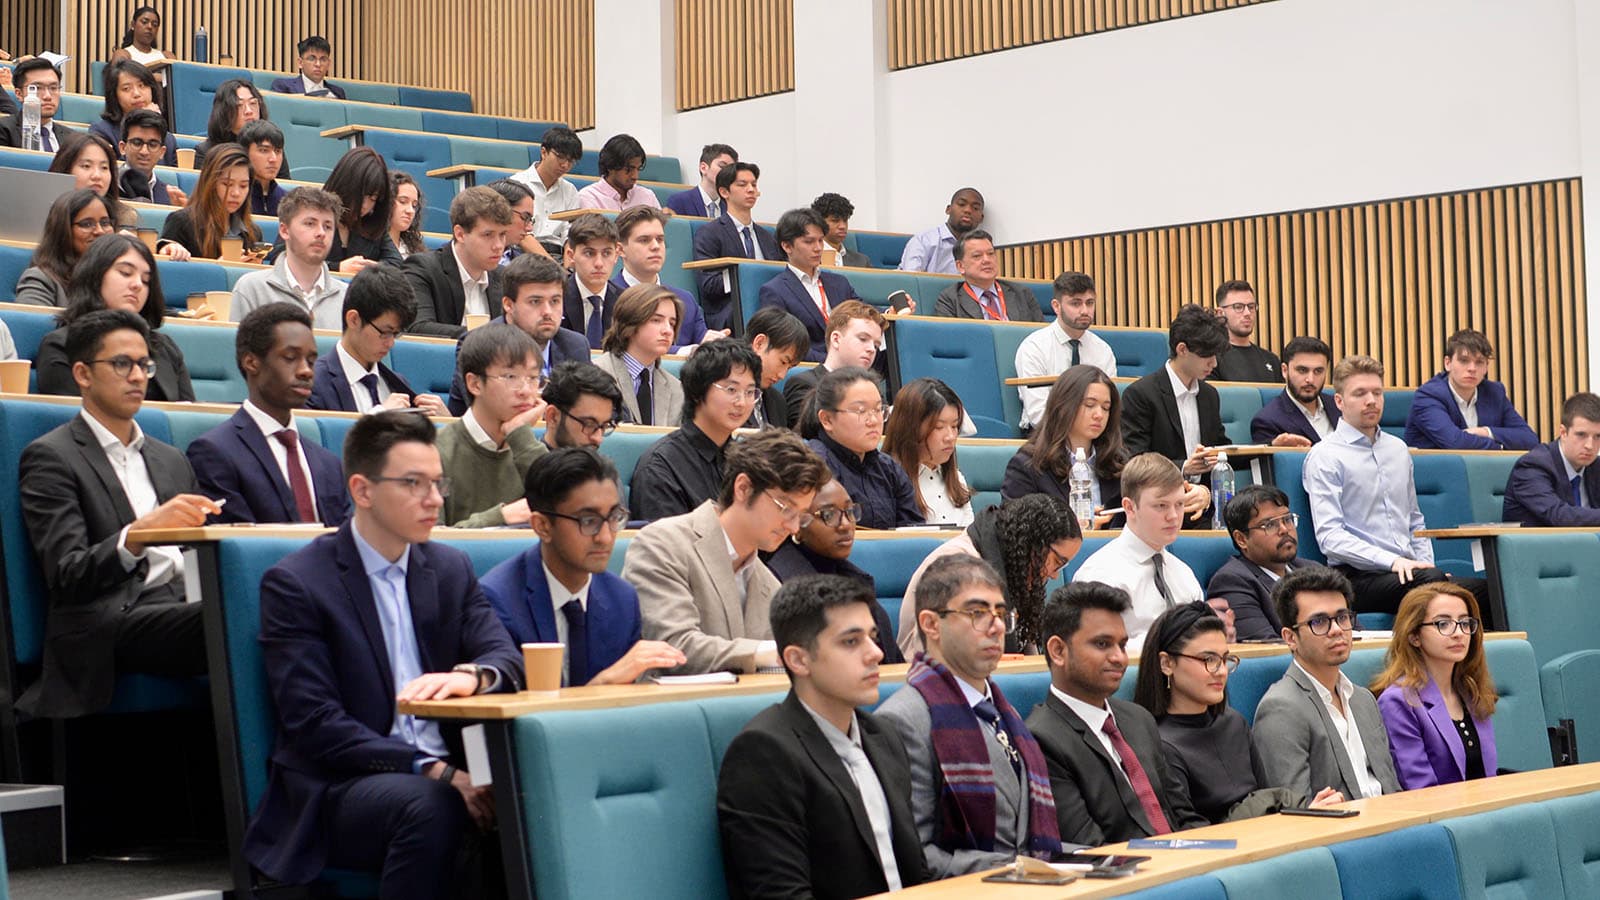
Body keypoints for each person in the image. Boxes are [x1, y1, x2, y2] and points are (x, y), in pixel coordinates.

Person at [242, 411, 523, 899]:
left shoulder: (449, 567)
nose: (434, 500)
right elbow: (315, 724)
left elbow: (503, 655)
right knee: (432, 804)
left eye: (438, 483)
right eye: (414, 484)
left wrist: (474, 677)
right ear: (362, 490)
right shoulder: (298, 583)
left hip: (451, 768)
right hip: (344, 783)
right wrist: (434, 769)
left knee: (530, 792)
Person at [17, 308, 220, 718]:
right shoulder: (51, 457)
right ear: (82, 374)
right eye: (121, 364)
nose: (138, 376)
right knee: (229, 620)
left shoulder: (172, 459)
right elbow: (68, 575)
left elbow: (200, 560)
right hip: (115, 618)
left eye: (144, 364)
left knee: (268, 604)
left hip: (180, 606)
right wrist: (138, 535)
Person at [717, 575, 928, 898]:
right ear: (798, 660)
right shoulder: (764, 753)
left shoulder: (883, 735)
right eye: (851, 642)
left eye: (872, 637)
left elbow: (915, 874)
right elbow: (781, 894)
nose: (875, 653)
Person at [875, 554, 1063, 877]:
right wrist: (1018, 870)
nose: (997, 626)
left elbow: (1031, 842)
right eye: (977, 613)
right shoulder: (904, 719)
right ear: (931, 624)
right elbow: (914, 856)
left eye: (1001, 613)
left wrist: (1094, 861)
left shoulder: (1007, 713)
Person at [622, 428, 831, 673]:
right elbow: (674, 647)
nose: (794, 527)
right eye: (785, 508)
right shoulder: (661, 544)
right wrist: (770, 653)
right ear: (743, 488)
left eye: (801, 516)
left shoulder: (770, 584)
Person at [1304, 355, 1489, 613]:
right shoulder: (1325, 456)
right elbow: (1330, 537)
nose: (1371, 400)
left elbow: (1414, 520)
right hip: (1356, 577)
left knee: (1492, 594)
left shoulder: (1398, 449)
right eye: (1360, 393)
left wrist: (1425, 566)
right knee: (1433, 587)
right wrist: (1393, 562)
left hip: (1410, 572)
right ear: (1339, 401)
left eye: (1377, 393)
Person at [1027, 582, 1207, 844]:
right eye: (1102, 644)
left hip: (1182, 866)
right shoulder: (1041, 739)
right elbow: (1090, 849)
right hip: (1133, 878)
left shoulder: (1138, 719)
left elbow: (1180, 814)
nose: (1119, 658)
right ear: (1058, 651)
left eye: (1122, 645)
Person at [482, 448, 684, 683]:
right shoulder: (498, 599)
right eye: (589, 521)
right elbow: (517, 711)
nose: (606, 537)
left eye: (614, 518)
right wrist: (603, 684)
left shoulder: (622, 599)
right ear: (542, 526)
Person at [1133, 601, 1345, 824]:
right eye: (1209, 660)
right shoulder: (1159, 745)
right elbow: (1189, 834)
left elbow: (1269, 799)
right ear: (1167, 663)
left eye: (1225, 659)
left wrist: (1306, 811)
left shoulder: (1234, 722)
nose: (1222, 671)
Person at [187, 303, 350, 525]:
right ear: (251, 362)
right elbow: (242, 552)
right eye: (290, 357)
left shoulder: (329, 464)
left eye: (311, 361)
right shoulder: (214, 453)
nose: (306, 370)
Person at [1253, 567, 1402, 800]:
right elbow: (1293, 813)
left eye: (1342, 618)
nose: (1336, 631)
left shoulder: (1363, 699)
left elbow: (1391, 787)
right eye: (1319, 622)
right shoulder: (1281, 708)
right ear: (1290, 637)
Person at [896, 494, 1082, 657]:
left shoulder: (1015, 566)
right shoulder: (955, 567)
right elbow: (934, 654)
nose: (1056, 575)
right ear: (1033, 543)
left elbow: (1022, 649)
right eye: (1058, 562)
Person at [37, 233, 195, 401]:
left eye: (146, 280)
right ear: (95, 275)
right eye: (126, 273)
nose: (137, 285)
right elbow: (75, 416)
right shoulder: (61, 345)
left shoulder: (165, 347)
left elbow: (187, 412)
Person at [1071, 453, 1205, 651]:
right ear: (1130, 507)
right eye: (1161, 506)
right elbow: (1094, 649)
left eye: (1179, 504)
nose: (1174, 516)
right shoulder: (1099, 574)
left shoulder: (1184, 574)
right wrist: (1172, 644)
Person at [761, 478, 903, 664]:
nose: (845, 524)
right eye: (829, 515)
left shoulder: (854, 579)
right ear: (797, 526)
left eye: (850, 511)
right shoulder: (777, 583)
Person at [1372, 582, 1498, 789]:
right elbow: (1420, 789)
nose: (1459, 633)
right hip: (1442, 818)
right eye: (1443, 624)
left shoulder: (1471, 690)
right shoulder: (1399, 701)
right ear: (1414, 636)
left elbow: (1488, 775)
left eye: (1465, 623)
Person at [629, 339, 762, 522]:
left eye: (749, 392)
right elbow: (666, 544)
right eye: (731, 389)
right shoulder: (660, 466)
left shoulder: (748, 460)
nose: (742, 402)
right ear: (699, 390)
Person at [448, 254, 590, 415]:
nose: (548, 312)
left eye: (555, 301)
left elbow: (593, 409)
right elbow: (491, 416)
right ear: (508, 305)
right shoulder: (479, 345)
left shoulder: (575, 345)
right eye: (535, 302)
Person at [436, 325, 549, 527]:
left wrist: (519, 434)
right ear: (475, 384)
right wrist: (500, 517)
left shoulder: (527, 447)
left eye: (533, 378)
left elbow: (562, 508)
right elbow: (428, 542)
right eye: (510, 377)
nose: (525, 391)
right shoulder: (433, 453)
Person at [307, 265, 448, 415]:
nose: (391, 343)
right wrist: (379, 417)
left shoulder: (397, 383)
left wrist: (446, 422)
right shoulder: (313, 383)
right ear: (354, 320)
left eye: (396, 334)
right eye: (385, 332)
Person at [1121, 303, 1230, 480]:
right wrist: (1184, 467)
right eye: (1207, 356)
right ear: (1182, 349)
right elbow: (1135, 460)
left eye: (1216, 356)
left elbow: (1221, 448)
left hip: (1205, 497)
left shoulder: (1209, 395)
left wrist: (1269, 446)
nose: (1214, 364)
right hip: (1161, 496)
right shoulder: (1140, 394)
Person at [803, 367, 921, 530]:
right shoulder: (813, 464)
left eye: (878, 409)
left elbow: (913, 533)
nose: (873, 420)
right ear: (827, 419)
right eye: (861, 411)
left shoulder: (890, 469)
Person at [1207, 486, 1321, 642]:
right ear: (1241, 539)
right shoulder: (1232, 582)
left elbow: (1353, 632)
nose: (1284, 529)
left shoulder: (1314, 571)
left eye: (1287, 520)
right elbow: (1267, 648)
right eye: (1269, 525)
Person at [1403, 329, 1539, 451]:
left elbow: (1530, 439)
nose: (1472, 368)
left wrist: (1486, 432)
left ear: (1486, 367)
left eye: (1479, 362)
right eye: (1464, 361)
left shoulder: (1495, 393)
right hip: (1435, 476)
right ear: (1448, 363)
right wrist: (1500, 447)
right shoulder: (1428, 396)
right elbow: (1455, 443)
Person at [231, 186, 348, 328]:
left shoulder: (347, 297)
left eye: (328, 226)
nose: (321, 233)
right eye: (310, 224)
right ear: (285, 230)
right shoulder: (251, 288)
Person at [404, 186, 512, 338]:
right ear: (460, 234)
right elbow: (418, 329)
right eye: (488, 235)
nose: (498, 246)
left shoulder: (504, 277)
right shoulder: (423, 269)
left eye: (502, 235)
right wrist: (487, 337)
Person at [757, 208, 863, 362]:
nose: (818, 248)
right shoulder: (774, 291)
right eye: (809, 241)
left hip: (850, 358)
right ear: (787, 246)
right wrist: (833, 361)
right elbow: (785, 343)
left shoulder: (839, 282)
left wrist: (890, 311)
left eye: (820, 240)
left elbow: (861, 311)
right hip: (814, 368)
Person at [1015, 272, 1117, 431]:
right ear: (1056, 306)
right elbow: (1038, 413)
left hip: (1095, 434)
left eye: (1090, 303)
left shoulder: (1102, 350)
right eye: (1076, 304)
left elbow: (1110, 404)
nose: (1085, 311)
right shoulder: (1034, 347)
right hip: (1046, 436)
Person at [611, 205, 715, 349]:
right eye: (644, 240)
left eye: (660, 239)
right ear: (621, 250)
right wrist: (683, 352)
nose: (655, 246)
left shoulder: (685, 300)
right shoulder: (608, 298)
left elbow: (703, 344)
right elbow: (622, 349)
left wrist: (713, 343)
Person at [692, 161, 779, 330]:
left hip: (770, 308)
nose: (751, 189)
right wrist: (746, 278)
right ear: (724, 192)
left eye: (754, 184)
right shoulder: (709, 233)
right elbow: (708, 284)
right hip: (730, 311)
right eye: (742, 184)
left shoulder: (767, 237)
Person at [884, 378, 974, 528]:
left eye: (954, 426)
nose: (950, 437)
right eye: (939, 427)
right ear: (911, 428)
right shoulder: (887, 480)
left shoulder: (957, 479)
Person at [782, 301, 885, 429]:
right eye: (863, 339)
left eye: (876, 345)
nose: (871, 349)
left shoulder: (873, 390)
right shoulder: (804, 384)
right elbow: (808, 437)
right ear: (836, 339)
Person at [1503, 391, 1600, 525]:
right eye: (1581, 435)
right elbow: (1559, 516)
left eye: (1598, 437)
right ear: (1563, 433)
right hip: (1538, 545)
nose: (1590, 445)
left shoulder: (1596, 467)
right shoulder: (1533, 466)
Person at [593, 283, 684, 426]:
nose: (668, 330)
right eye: (656, 320)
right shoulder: (597, 375)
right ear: (630, 323)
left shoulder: (677, 389)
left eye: (672, 323)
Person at [158, 142, 263, 260]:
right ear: (211, 183)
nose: (236, 193)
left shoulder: (254, 232)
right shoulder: (182, 222)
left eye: (243, 186)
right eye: (227, 184)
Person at [16, 189, 115, 309]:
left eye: (105, 223)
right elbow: (32, 325)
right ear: (63, 230)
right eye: (87, 224)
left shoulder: (118, 277)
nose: (99, 231)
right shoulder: (41, 279)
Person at [315, 146, 403, 273]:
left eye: (373, 199)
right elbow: (284, 258)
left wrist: (374, 268)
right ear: (345, 184)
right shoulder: (309, 210)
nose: (366, 205)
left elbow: (398, 265)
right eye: (363, 195)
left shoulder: (374, 225)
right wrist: (336, 268)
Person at [931, 230, 1041, 323]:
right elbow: (948, 341)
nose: (987, 260)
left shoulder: (1021, 293)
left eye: (991, 253)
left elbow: (1042, 335)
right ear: (960, 266)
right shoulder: (950, 300)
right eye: (977, 256)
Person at [1250, 336, 1340, 447]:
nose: (1310, 379)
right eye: (1302, 370)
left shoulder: (1341, 407)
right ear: (1284, 370)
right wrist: (1274, 446)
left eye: (1318, 371)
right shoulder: (1268, 421)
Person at [194, 79, 292, 178]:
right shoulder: (206, 152)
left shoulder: (272, 147)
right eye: (239, 105)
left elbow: (284, 186)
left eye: (253, 103)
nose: (249, 111)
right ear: (224, 112)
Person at [509, 126, 583, 254]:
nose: (565, 165)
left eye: (571, 161)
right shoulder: (518, 183)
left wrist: (568, 270)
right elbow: (522, 235)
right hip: (523, 254)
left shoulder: (570, 190)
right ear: (544, 152)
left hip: (558, 254)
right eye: (560, 157)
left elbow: (570, 236)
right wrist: (554, 270)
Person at [93, 60, 179, 167]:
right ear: (114, 96)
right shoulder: (102, 132)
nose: (137, 94)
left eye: (142, 86)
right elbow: (112, 172)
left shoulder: (168, 140)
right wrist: (142, 119)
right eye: (126, 88)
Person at [560, 212, 623, 348]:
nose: (599, 263)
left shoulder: (627, 303)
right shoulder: (556, 297)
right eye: (589, 253)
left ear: (616, 254)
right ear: (571, 255)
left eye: (607, 253)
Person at [47, 132, 134, 228]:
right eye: (86, 166)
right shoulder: (44, 210)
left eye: (104, 167)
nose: (97, 175)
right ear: (66, 169)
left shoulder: (123, 217)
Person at [742, 306, 809, 429]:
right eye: (783, 362)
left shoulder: (778, 402)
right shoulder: (722, 391)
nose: (782, 375)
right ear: (759, 343)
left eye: (789, 368)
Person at [539, 361, 622, 452]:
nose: (598, 439)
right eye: (589, 424)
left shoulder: (600, 465)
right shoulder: (526, 464)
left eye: (604, 426)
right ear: (552, 416)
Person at [898, 187, 984, 274]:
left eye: (975, 208)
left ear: (981, 218)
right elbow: (911, 279)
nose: (968, 210)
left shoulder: (983, 249)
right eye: (961, 204)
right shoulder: (923, 241)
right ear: (948, 210)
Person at [1210, 280, 1282, 383]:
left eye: (1251, 307)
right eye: (1238, 307)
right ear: (1220, 313)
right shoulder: (1211, 359)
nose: (1247, 313)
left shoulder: (1271, 360)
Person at [0, 58, 73, 152]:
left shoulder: (72, 138)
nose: (47, 96)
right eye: (37, 88)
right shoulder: (4, 130)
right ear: (19, 94)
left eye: (54, 88)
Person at [115, 108, 185, 207]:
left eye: (152, 145)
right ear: (122, 147)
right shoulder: (107, 187)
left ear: (162, 152)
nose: (144, 151)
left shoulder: (170, 198)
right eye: (137, 143)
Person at [574, 133, 661, 211]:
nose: (635, 176)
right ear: (610, 166)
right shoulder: (589, 197)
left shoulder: (647, 196)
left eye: (638, 169)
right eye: (628, 169)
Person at [665, 143, 737, 217]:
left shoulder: (732, 206)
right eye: (722, 166)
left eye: (730, 169)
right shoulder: (679, 201)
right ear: (703, 168)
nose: (727, 172)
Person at [109, 6, 175, 81]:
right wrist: (160, 78)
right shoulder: (123, 54)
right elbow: (121, 79)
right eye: (144, 22)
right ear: (133, 25)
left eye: (154, 24)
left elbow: (178, 80)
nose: (150, 27)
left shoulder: (167, 56)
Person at [485, 178, 542, 263]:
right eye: (525, 217)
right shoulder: (466, 261)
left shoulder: (526, 265)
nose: (530, 228)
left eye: (530, 220)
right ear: (501, 211)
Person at [271, 35, 346, 98]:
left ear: (329, 64)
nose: (318, 64)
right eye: (312, 58)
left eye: (323, 59)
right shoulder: (283, 87)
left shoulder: (338, 93)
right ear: (300, 63)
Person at [810, 192, 871, 267]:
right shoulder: (807, 257)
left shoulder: (862, 261)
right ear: (819, 222)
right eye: (835, 220)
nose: (843, 226)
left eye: (845, 220)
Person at [240, 119, 288, 217]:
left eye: (278, 151)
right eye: (264, 150)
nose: (273, 159)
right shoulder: (235, 197)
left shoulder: (289, 202)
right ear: (245, 153)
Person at [389, 171, 427, 258]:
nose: (410, 211)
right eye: (403, 202)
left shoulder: (416, 251)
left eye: (414, 205)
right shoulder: (368, 247)